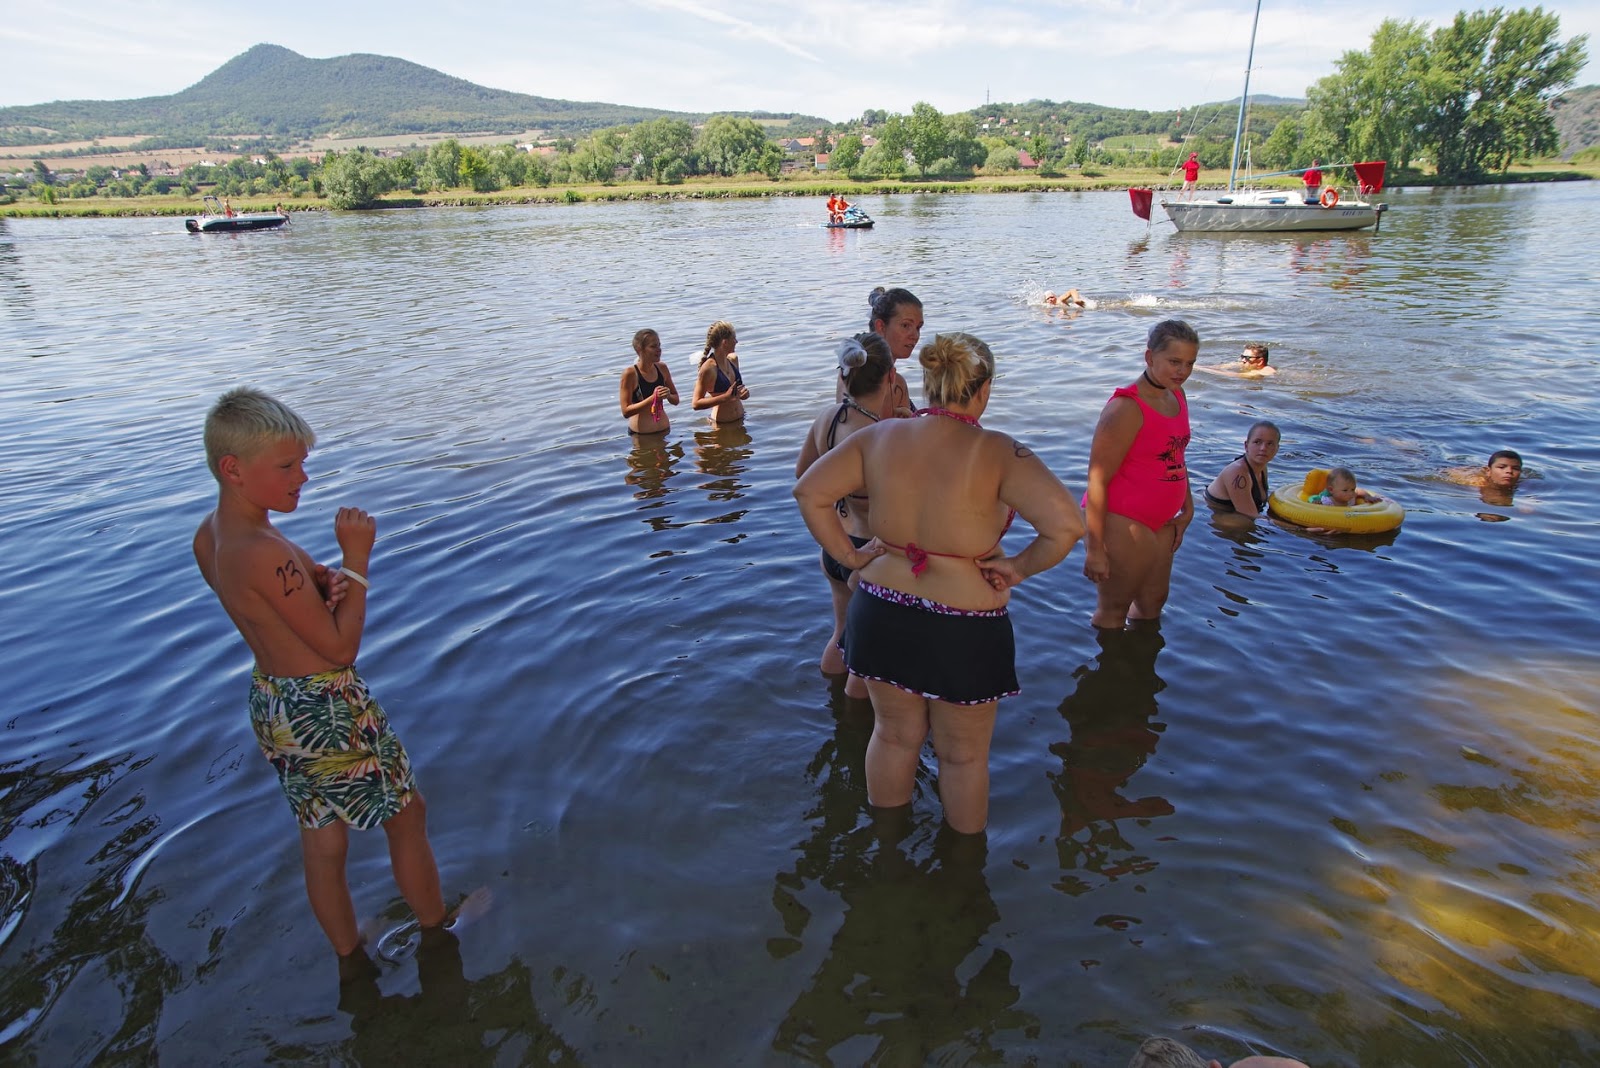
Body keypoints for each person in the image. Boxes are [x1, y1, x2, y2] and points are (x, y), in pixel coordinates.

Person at [192, 387, 446, 981]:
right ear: (233, 469)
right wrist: (357, 560)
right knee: (406, 815)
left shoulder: (214, 536)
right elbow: (338, 647)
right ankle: (441, 931)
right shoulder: (263, 550)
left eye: (301, 463)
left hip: (274, 704)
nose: (302, 478)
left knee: (323, 838)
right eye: (286, 466)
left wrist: (323, 582)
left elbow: (281, 603)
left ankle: (348, 955)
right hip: (326, 704)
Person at [795, 332, 1085, 834]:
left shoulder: (881, 436)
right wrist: (1018, 568)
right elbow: (1067, 527)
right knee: (963, 758)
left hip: (881, 606)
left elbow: (808, 491)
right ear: (984, 388)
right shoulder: (1000, 452)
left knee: (892, 737)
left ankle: (887, 850)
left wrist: (850, 556)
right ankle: (963, 867)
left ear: (927, 383)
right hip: (964, 623)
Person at [794, 333, 898, 698]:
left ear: (844, 374)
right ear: (890, 377)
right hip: (868, 551)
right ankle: (853, 721)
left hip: (835, 544)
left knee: (841, 633)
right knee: (868, 652)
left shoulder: (828, 418)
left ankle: (831, 703)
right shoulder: (882, 437)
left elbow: (803, 475)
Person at [1083, 319, 1197, 631]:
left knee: (1153, 603)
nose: (1183, 371)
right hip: (1124, 519)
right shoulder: (1125, 408)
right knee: (1113, 611)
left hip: (1164, 521)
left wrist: (1188, 507)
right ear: (1149, 357)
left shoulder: (1177, 396)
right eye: (1174, 362)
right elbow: (1097, 479)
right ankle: (1106, 662)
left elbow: (1176, 455)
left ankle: (1141, 661)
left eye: (1190, 363)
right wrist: (1094, 548)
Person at [843, 286, 923, 418]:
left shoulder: (898, 383)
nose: (915, 335)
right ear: (880, 326)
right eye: (905, 325)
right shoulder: (854, 376)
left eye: (918, 327)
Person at [1205, 420, 1281, 518]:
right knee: (1239, 523)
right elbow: (1250, 515)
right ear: (1246, 446)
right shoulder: (1237, 472)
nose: (1263, 448)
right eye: (1257, 442)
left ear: (1277, 449)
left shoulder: (1262, 468)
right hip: (1214, 513)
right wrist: (1294, 526)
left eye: (1270, 444)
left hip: (1236, 513)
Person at [618, 327, 681, 434]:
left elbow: (676, 400)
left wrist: (668, 395)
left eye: (659, 345)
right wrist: (653, 398)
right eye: (653, 346)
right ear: (640, 349)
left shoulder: (662, 368)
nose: (659, 349)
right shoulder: (630, 374)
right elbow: (626, 411)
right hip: (641, 436)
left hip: (665, 432)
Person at [692, 320, 749, 424]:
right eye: (734, 338)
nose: (736, 341)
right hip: (721, 425)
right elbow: (696, 404)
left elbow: (737, 393)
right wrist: (725, 397)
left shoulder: (733, 360)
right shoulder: (709, 368)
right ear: (725, 342)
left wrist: (744, 394)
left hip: (741, 419)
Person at [1309, 465, 1381, 506]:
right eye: (1345, 490)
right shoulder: (1326, 501)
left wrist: (1367, 496)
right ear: (1331, 490)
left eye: (1352, 489)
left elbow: (1359, 491)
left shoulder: (1351, 499)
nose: (1350, 493)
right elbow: (1311, 498)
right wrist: (1315, 501)